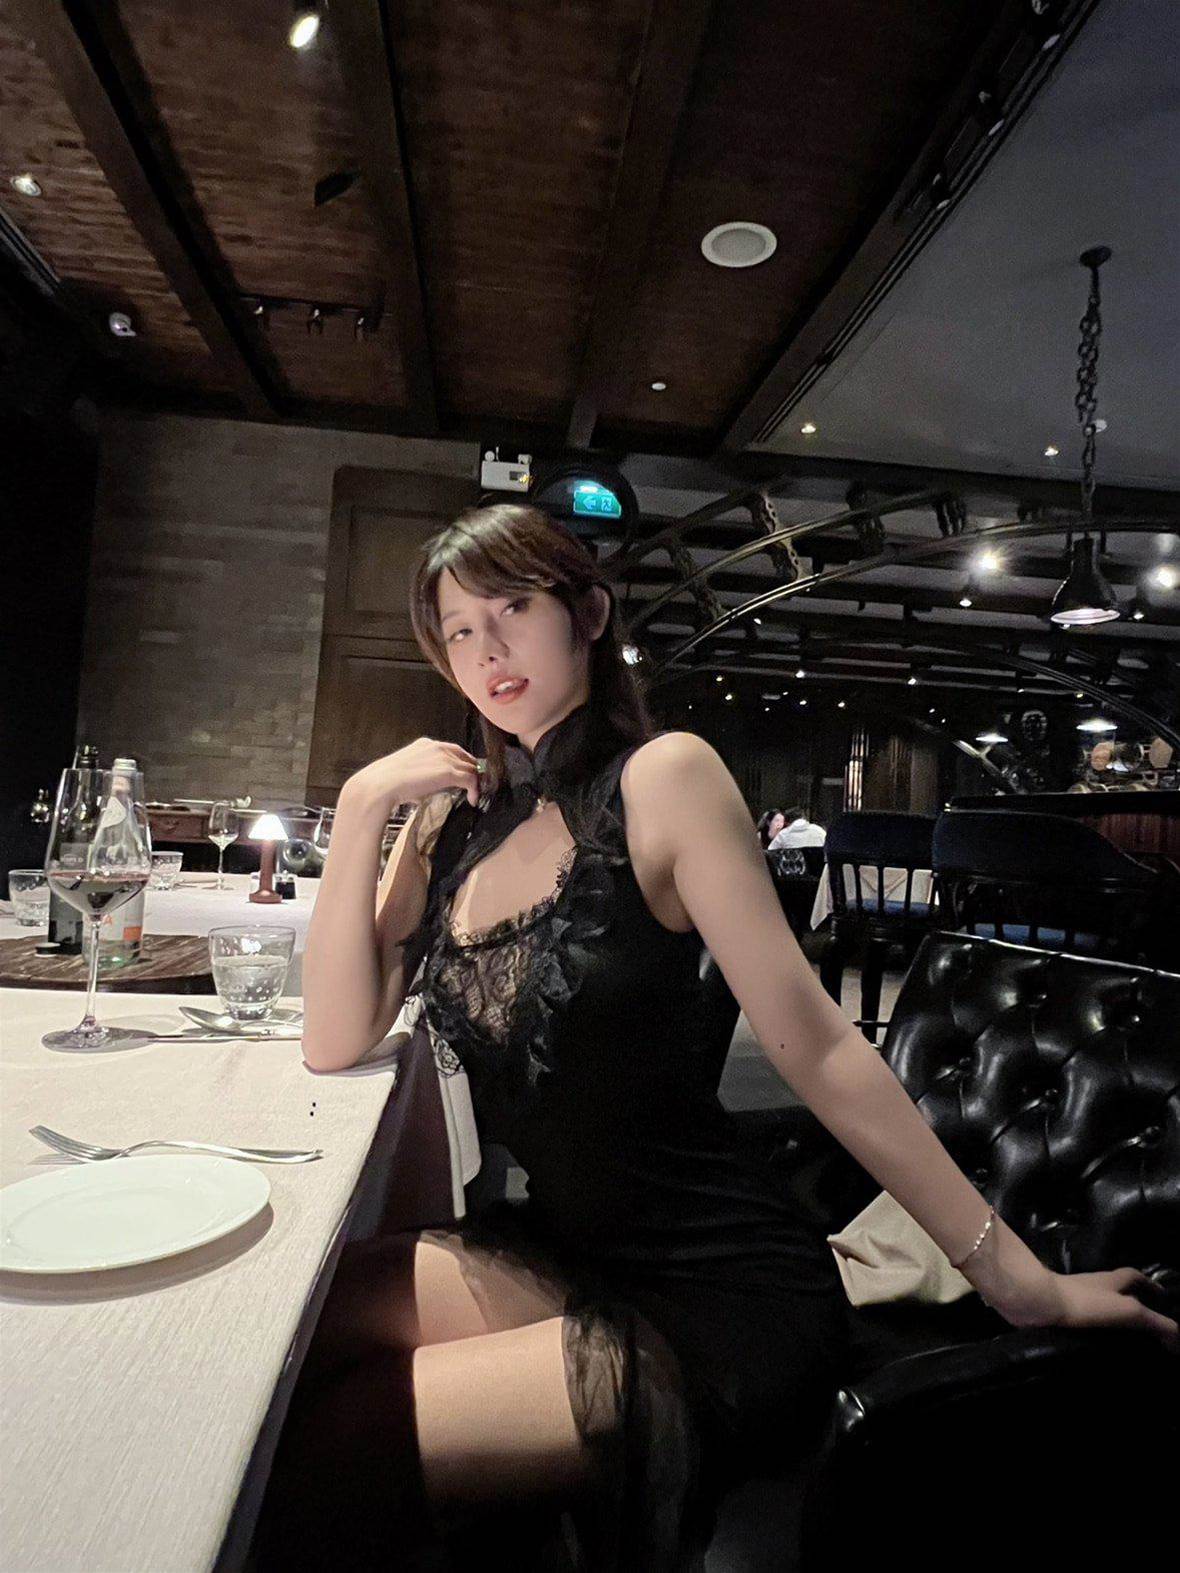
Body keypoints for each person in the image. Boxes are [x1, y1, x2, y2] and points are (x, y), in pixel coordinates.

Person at [256, 503, 1179, 1572]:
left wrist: (1022, 1281)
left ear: (586, 614)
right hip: (563, 1248)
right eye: (459, 631)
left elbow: (818, 1044)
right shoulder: (464, 821)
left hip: (720, 1294)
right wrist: (366, 801)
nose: (487, 649)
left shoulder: (664, 778)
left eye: (512, 609)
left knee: (339, 1441)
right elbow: (336, 1036)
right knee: (285, 1340)